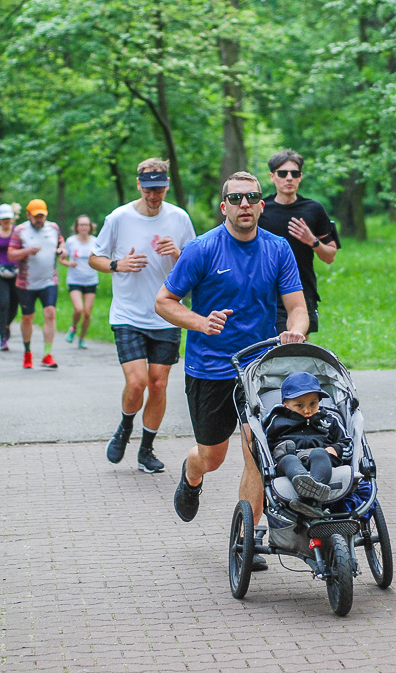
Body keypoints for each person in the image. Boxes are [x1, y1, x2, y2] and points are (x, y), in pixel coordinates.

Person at [155, 171, 308, 541]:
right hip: (210, 368)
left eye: (252, 198)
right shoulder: (202, 249)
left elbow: (297, 307)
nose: (245, 205)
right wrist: (200, 322)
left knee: (257, 451)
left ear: (261, 205)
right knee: (212, 457)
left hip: (257, 369)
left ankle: (248, 538)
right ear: (224, 206)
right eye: (237, 199)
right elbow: (164, 302)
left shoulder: (277, 248)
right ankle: (191, 476)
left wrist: (295, 332)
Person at [89, 158, 196, 474]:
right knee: (137, 383)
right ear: (139, 185)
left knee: (158, 384)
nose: (154, 195)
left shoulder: (179, 218)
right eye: (149, 189)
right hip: (128, 314)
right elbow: (94, 257)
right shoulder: (119, 218)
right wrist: (116, 265)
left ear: (166, 185)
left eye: (160, 188)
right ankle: (124, 427)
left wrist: (176, 253)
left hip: (166, 313)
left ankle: (146, 450)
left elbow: (194, 264)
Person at [259, 149, 339, 336]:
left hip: (302, 290)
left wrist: (312, 241)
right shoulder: (261, 210)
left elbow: (330, 256)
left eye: (294, 174)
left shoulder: (314, 209)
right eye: (282, 173)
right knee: (268, 351)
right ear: (272, 177)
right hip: (266, 290)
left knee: (298, 348)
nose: (289, 178)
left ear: (300, 177)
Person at [263, 371, 350, 516]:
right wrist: (272, 461)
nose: (307, 410)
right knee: (288, 458)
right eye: (299, 405)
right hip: (290, 463)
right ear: (285, 405)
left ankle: (309, 499)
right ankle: (305, 486)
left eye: (313, 404)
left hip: (321, 459)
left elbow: (347, 442)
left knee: (319, 453)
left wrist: (336, 449)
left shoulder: (329, 420)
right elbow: (266, 445)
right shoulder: (277, 421)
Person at [7, 199, 63, 369]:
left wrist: (63, 250)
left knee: (50, 313)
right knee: (27, 318)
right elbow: (11, 255)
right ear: (28, 215)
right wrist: (26, 251)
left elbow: (61, 241)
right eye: (36, 216)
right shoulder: (20, 231)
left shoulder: (53, 228)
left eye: (42, 216)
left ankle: (47, 354)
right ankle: (27, 352)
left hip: (49, 280)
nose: (39, 219)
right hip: (26, 283)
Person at [61, 215, 98, 349]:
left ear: (90, 227)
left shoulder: (95, 241)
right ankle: (73, 328)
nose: (83, 227)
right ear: (76, 227)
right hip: (75, 280)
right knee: (79, 309)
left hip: (91, 280)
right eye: (81, 225)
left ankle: (82, 338)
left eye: (86, 225)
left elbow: (101, 258)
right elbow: (62, 260)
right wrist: (69, 264)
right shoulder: (70, 241)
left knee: (87, 312)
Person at [0, 204, 20, 351]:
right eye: (3, 219)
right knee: (3, 303)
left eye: (8, 218)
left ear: (12, 218)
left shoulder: (18, 231)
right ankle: (3, 339)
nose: (6, 221)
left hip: (16, 271)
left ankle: (7, 325)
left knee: (14, 303)